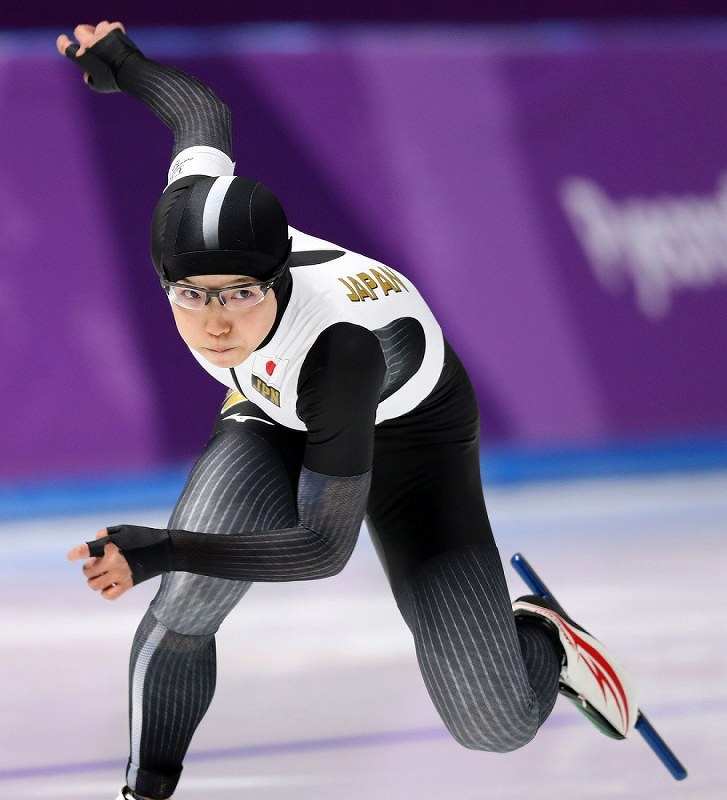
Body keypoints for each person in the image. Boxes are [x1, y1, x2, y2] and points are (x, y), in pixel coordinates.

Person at [58, 21, 637, 800]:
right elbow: (200, 114)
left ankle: (541, 637)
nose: (215, 324)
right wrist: (122, 62)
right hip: (278, 415)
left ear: (277, 279)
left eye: (239, 295)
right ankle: (144, 793)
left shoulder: (339, 349)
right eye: (190, 297)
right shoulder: (190, 211)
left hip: (410, 445)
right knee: (187, 601)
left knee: (492, 725)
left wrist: (162, 545)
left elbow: (321, 548)